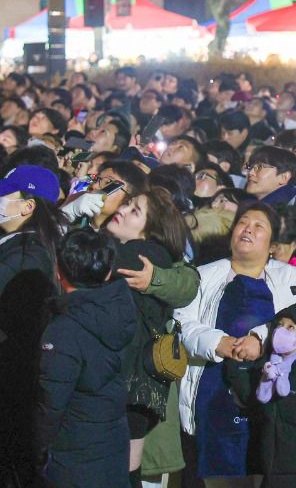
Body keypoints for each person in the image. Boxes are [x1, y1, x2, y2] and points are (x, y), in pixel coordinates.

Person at [175, 201, 296, 484]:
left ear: (272, 244)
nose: (247, 229)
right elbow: (182, 325)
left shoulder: (291, 277)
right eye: (243, 222)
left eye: (258, 226)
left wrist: (259, 339)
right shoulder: (202, 275)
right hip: (212, 394)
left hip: (267, 395)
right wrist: (218, 342)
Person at [106, 187, 198, 487]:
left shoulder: (140, 254)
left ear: (151, 231)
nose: (121, 209)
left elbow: (189, 282)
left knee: (121, 473)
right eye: (127, 204)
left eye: (134, 211)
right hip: (131, 389)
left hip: (129, 385)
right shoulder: (128, 249)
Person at [36, 228, 138, 488]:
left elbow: (50, 404)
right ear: (107, 272)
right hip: (113, 443)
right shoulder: (120, 308)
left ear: (58, 271)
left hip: (73, 455)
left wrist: (34, 450)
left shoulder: (63, 331)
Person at [225, 304, 296, 488]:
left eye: (290, 327)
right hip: (273, 468)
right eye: (279, 325)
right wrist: (237, 368)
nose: (281, 331)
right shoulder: (268, 370)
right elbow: (252, 399)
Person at [0, 165, 63, 485]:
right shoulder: (20, 245)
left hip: (11, 384)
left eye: (4, 194)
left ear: (28, 206)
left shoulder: (25, 255)